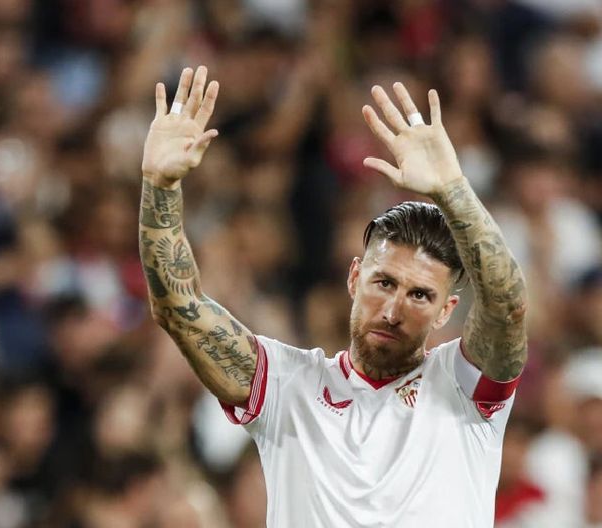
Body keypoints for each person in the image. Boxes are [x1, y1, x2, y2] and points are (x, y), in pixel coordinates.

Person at [139, 65, 528, 526]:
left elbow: (507, 305)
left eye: (420, 295)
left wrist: (453, 191)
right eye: (384, 283)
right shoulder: (286, 385)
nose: (393, 310)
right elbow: (178, 308)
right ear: (354, 277)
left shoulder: (464, 388)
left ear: (446, 311)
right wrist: (160, 186)